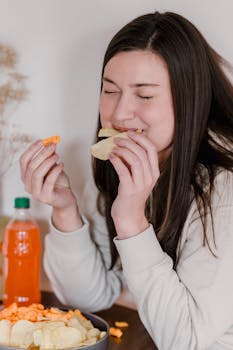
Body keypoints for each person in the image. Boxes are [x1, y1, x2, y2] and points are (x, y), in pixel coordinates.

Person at [19, 10, 233, 350]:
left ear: (188, 100)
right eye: (109, 90)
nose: (119, 114)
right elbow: (89, 297)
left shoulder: (223, 189)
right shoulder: (120, 165)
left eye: (144, 95)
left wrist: (131, 220)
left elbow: (185, 341)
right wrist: (65, 210)